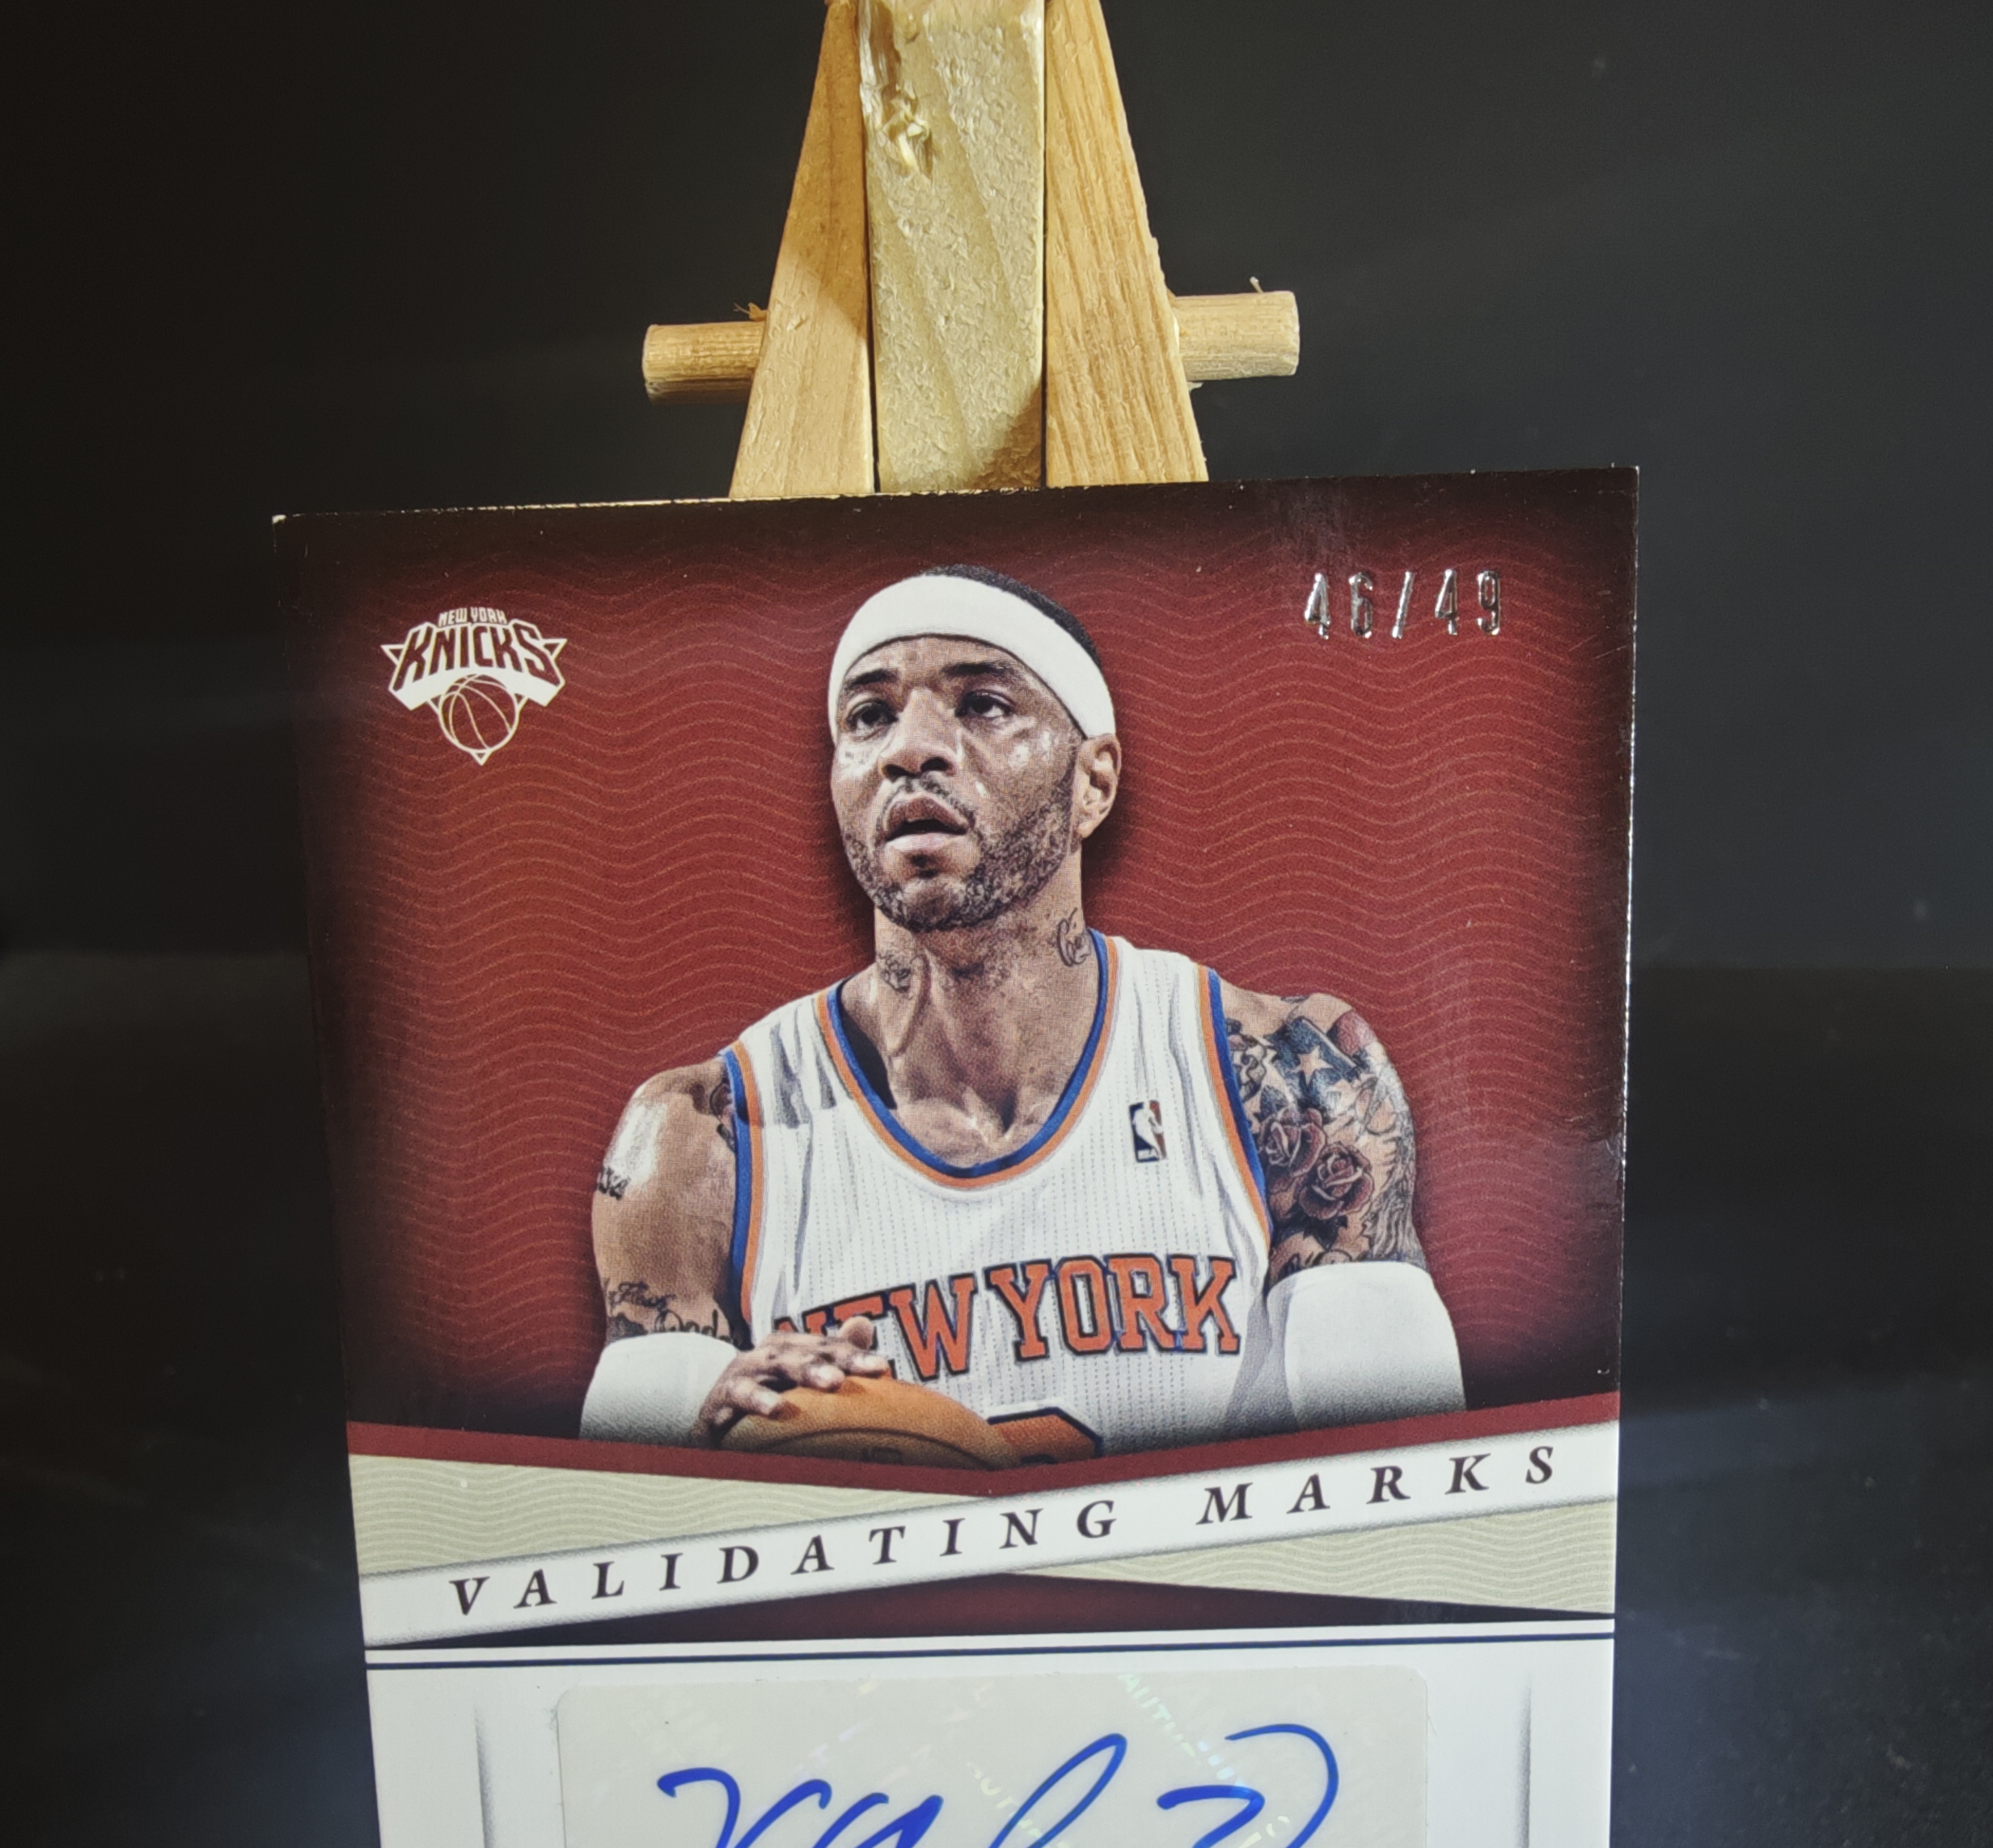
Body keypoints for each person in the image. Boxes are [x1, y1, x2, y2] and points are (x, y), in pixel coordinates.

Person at [581, 566, 1462, 1459]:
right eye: (870, 716)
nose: (910, 750)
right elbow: (610, 1523)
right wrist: (690, 1440)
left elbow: (1408, 1491)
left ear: (1094, 783)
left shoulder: (1290, 1077)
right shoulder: (700, 1142)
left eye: (983, 705)